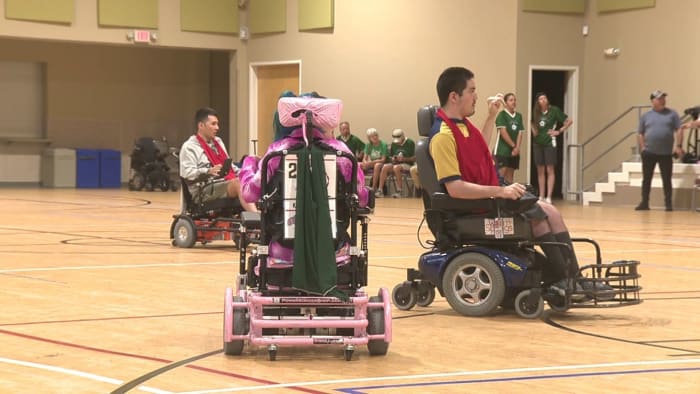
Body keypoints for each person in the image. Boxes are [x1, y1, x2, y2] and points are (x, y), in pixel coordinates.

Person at [429, 66, 606, 297]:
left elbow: (477, 149)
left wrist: (491, 116)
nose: (476, 96)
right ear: (454, 96)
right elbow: (455, 188)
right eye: (472, 91)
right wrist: (500, 192)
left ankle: (574, 278)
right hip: (473, 210)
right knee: (537, 219)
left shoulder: (462, 125)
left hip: (487, 201)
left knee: (551, 211)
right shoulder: (442, 135)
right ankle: (563, 280)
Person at [238, 97, 369, 268]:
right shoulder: (343, 155)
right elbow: (363, 198)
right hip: (332, 248)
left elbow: (249, 193)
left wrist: (248, 163)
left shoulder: (276, 152)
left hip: (284, 249)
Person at [179, 107, 257, 212]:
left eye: (217, 124)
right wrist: (208, 171)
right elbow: (187, 173)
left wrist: (247, 173)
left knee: (252, 180)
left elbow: (230, 167)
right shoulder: (189, 147)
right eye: (213, 124)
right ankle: (257, 218)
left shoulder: (218, 142)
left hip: (223, 183)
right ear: (201, 125)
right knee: (239, 183)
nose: (217, 128)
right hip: (203, 190)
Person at [636, 90, 683, 211]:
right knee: (647, 179)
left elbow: (679, 129)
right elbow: (640, 133)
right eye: (660, 98)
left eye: (663, 98)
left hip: (666, 154)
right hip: (649, 153)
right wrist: (642, 147)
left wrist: (678, 146)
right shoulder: (646, 116)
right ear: (653, 101)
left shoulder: (672, 114)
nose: (663, 100)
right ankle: (644, 203)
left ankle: (668, 204)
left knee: (666, 179)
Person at [531, 92, 572, 204]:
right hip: (538, 143)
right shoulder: (536, 112)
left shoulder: (554, 110)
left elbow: (569, 121)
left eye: (545, 98)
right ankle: (541, 195)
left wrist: (559, 131)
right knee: (540, 170)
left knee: (549, 169)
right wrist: (534, 130)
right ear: (538, 102)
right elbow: (532, 123)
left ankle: (549, 196)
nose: (543, 100)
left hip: (550, 143)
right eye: (540, 99)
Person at [493, 93, 525, 184]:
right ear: (506, 103)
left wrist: (517, 148)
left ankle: (509, 197)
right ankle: (497, 197)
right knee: (500, 176)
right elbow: (503, 132)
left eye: (515, 100)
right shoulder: (502, 115)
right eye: (511, 100)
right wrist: (514, 146)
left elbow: (520, 132)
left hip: (514, 151)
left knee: (510, 177)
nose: (513, 102)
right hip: (502, 150)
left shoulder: (519, 116)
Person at [376, 129, 416, 198]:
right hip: (396, 163)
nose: (397, 143)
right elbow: (391, 156)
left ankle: (399, 191)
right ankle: (380, 190)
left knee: (396, 167)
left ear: (403, 136)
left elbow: (414, 158)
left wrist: (404, 159)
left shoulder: (410, 143)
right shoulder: (393, 144)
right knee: (385, 167)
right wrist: (393, 159)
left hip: (408, 164)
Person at [361, 128, 388, 194]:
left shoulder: (383, 144)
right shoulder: (368, 145)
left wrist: (371, 163)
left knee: (377, 165)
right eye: (372, 136)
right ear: (369, 138)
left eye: (376, 135)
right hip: (371, 164)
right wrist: (365, 162)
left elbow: (383, 160)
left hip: (382, 164)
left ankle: (373, 187)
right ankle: (360, 187)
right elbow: (364, 158)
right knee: (359, 165)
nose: (375, 137)